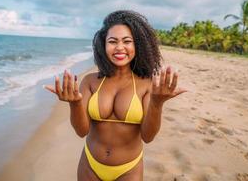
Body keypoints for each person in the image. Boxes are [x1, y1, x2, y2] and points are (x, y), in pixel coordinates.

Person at [44, 10, 187, 181]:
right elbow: (82, 131)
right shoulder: (91, 81)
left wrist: (157, 103)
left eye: (127, 41)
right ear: (103, 46)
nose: (119, 47)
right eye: (112, 41)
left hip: (129, 169)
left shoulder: (146, 84)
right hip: (90, 164)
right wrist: (74, 104)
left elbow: (148, 137)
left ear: (138, 45)